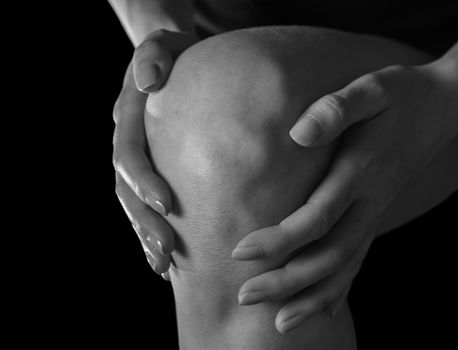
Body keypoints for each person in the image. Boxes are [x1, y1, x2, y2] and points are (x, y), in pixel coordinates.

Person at [109, 0, 458, 340]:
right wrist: (160, 56)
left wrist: (445, 90)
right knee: (221, 115)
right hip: (229, 61)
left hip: (439, 56)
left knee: (226, 110)